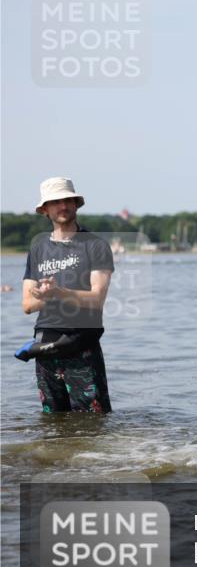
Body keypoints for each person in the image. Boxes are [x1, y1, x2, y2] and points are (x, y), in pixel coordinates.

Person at [20, 177, 114, 413]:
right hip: (45, 347)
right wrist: (45, 295)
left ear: (76, 204)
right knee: (52, 422)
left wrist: (57, 292)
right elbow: (28, 305)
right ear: (45, 210)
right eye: (55, 202)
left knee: (93, 423)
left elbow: (97, 299)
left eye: (67, 200)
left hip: (81, 345)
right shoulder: (38, 248)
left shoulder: (95, 245)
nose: (63, 206)